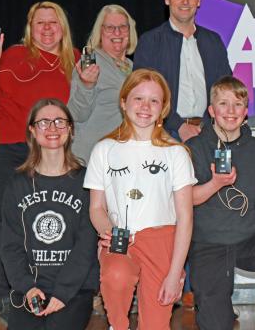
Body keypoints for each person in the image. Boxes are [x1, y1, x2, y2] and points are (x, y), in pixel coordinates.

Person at [84, 68, 195, 330]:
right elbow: (97, 207)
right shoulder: (103, 150)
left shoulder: (176, 153)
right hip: (121, 240)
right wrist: (107, 231)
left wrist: (176, 272)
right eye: (138, 98)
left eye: (154, 100)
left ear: (163, 108)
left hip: (162, 243)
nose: (145, 107)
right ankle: (117, 326)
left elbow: (186, 217)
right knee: (116, 275)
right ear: (124, 102)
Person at [0, 1, 80, 323]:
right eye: (39, 22)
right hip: (10, 147)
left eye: (52, 22)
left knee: (59, 222)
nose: (46, 28)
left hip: (55, 151)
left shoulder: (78, 61)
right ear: (30, 27)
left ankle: (59, 290)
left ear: (63, 28)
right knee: (3, 225)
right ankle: (6, 295)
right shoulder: (12, 56)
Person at [186, 75, 255, 330]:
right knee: (214, 324)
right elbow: (185, 198)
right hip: (207, 241)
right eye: (223, 104)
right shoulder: (193, 148)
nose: (231, 111)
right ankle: (221, 311)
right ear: (212, 111)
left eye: (237, 104)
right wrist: (215, 183)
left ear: (246, 112)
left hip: (249, 238)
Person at [0, 98, 98, 330]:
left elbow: (86, 246)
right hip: (31, 287)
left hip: (74, 289)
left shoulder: (87, 181)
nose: (52, 128)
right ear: (32, 131)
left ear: (70, 130)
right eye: (43, 122)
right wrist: (27, 287)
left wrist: (63, 293)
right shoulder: (17, 184)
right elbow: (10, 247)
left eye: (59, 122)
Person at [133, 0, 232, 142]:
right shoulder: (150, 42)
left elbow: (225, 89)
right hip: (164, 134)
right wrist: (179, 126)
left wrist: (207, 125)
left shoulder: (213, 41)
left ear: (199, 0)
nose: (185, 1)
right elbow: (142, 93)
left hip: (209, 132)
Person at [68, 4, 137, 164]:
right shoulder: (91, 65)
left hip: (120, 158)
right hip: (90, 159)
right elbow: (76, 115)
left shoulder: (133, 67)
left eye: (122, 27)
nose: (117, 32)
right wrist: (86, 86)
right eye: (110, 27)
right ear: (100, 32)